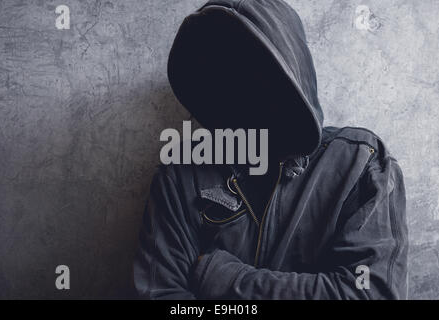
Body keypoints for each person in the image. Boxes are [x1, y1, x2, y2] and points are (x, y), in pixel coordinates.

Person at [134, 0, 408, 300]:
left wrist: (221, 278)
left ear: (294, 71)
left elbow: (371, 294)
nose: (244, 86)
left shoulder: (360, 164)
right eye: (224, 71)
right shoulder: (181, 177)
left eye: (258, 67)